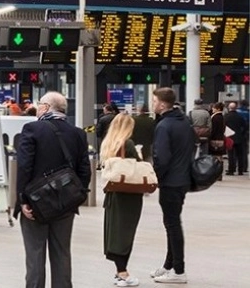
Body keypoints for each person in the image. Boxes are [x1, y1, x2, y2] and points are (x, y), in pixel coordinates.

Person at [15, 91, 91, 288]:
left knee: (35, 254)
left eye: (39, 104)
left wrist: (23, 200)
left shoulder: (32, 129)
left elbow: (24, 167)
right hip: (65, 204)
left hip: (36, 204)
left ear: (46, 108)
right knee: (62, 254)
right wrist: (75, 197)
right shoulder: (77, 134)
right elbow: (85, 171)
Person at [151, 87, 196, 284]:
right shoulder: (184, 122)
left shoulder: (164, 126)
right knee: (173, 222)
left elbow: (162, 158)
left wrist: (155, 178)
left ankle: (179, 270)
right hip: (183, 179)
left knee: (172, 225)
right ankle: (168, 265)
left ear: (162, 104)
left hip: (170, 182)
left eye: (154, 101)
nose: (152, 105)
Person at [101, 114, 145, 287]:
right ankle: (123, 272)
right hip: (128, 195)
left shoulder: (109, 143)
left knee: (115, 231)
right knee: (125, 233)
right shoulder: (127, 144)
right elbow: (136, 165)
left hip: (114, 193)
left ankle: (119, 271)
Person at [224, 102, 247, 175]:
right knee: (240, 155)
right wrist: (242, 134)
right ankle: (240, 170)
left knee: (231, 155)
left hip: (229, 137)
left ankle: (231, 170)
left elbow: (223, 127)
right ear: (236, 108)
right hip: (239, 137)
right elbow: (245, 126)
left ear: (229, 108)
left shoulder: (226, 117)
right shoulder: (239, 117)